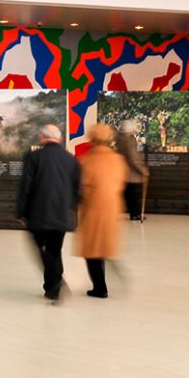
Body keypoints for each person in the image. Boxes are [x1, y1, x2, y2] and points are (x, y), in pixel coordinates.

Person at [16, 124, 81, 301]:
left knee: (42, 249)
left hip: (38, 213)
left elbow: (25, 187)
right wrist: (71, 210)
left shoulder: (34, 157)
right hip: (61, 213)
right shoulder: (71, 159)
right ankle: (52, 286)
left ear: (42, 137)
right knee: (54, 249)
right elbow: (76, 190)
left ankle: (55, 283)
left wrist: (22, 213)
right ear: (59, 139)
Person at [75, 124, 128, 299]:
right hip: (112, 208)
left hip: (92, 209)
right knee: (104, 244)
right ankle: (106, 277)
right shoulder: (118, 159)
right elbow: (120, 183)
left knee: (92, 249)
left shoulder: (86, 160)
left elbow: (82, 187)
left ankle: (100, 287)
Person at [115, 120, 149, 221]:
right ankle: (135, 213)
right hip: (130, 172)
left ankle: (133, 213)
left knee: (127, 193)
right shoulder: (130, 140)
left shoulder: (119, 139)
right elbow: (133, 157)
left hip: (121, 169)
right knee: (132, 193)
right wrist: (143, 170)